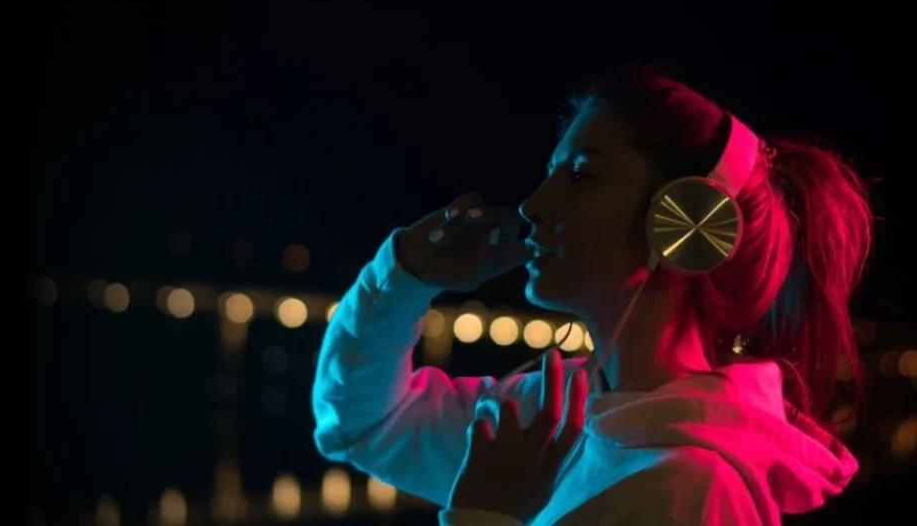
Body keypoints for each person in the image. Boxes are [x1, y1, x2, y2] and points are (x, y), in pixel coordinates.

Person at [310, 63, 872, 525]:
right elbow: (361, 425)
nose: (532, 205)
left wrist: (483, 514)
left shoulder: (693, 491)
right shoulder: (548, 418)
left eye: (580, 176)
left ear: (681, 225)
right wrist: (404, 275)